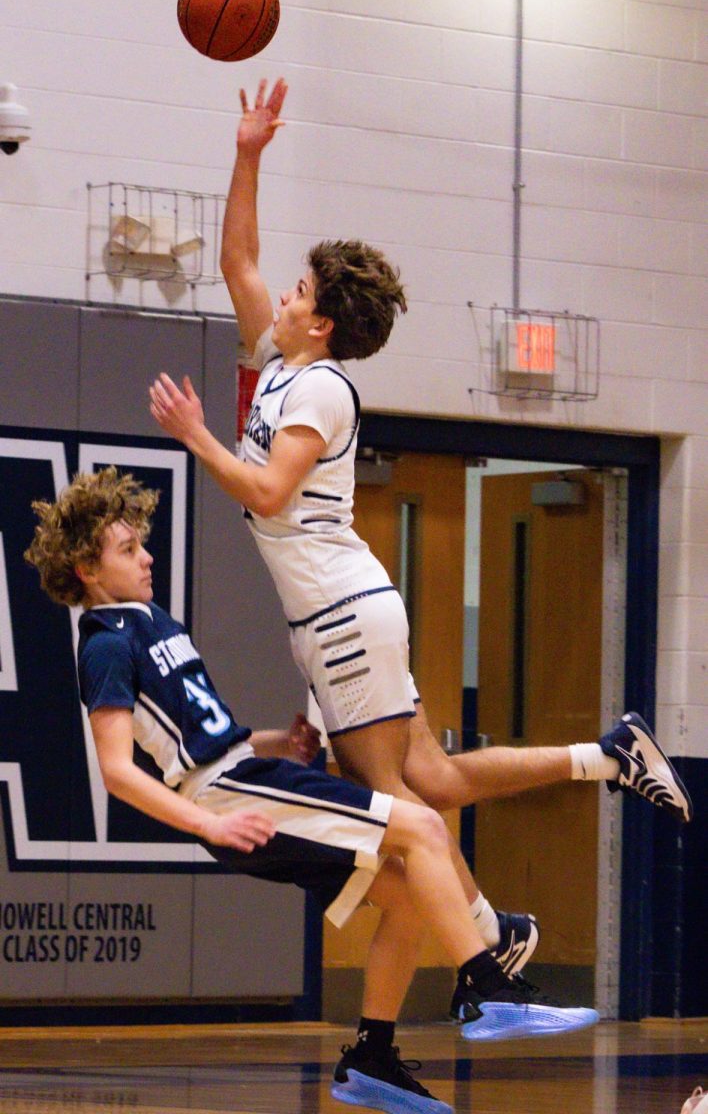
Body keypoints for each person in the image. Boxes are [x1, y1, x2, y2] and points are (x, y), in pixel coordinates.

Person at [148, 77, 692, 987]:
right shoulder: (284, 361)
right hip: (352, 608)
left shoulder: (320, 388)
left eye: (297, 289)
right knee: (432, 781)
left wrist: (196, 433)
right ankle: (606, 756)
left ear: (319, 322)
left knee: (393, 803)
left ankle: (488, 937)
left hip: (339, 616)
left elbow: (273, 493)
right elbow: (237, 260)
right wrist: (247, 153)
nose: (276, 294)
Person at [25, 467, 599, 1114]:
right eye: (128, 550)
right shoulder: (104, 644)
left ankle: (372, 1059)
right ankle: (487, 984)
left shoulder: (150, 619)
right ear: (86, 570)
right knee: (425, 827)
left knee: (407, 895)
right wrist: (206, 824)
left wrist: (279, 742)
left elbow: (202, 733)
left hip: (246, 772)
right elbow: (117, 770)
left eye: (141, 543)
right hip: (229, 795)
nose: (147, 556)